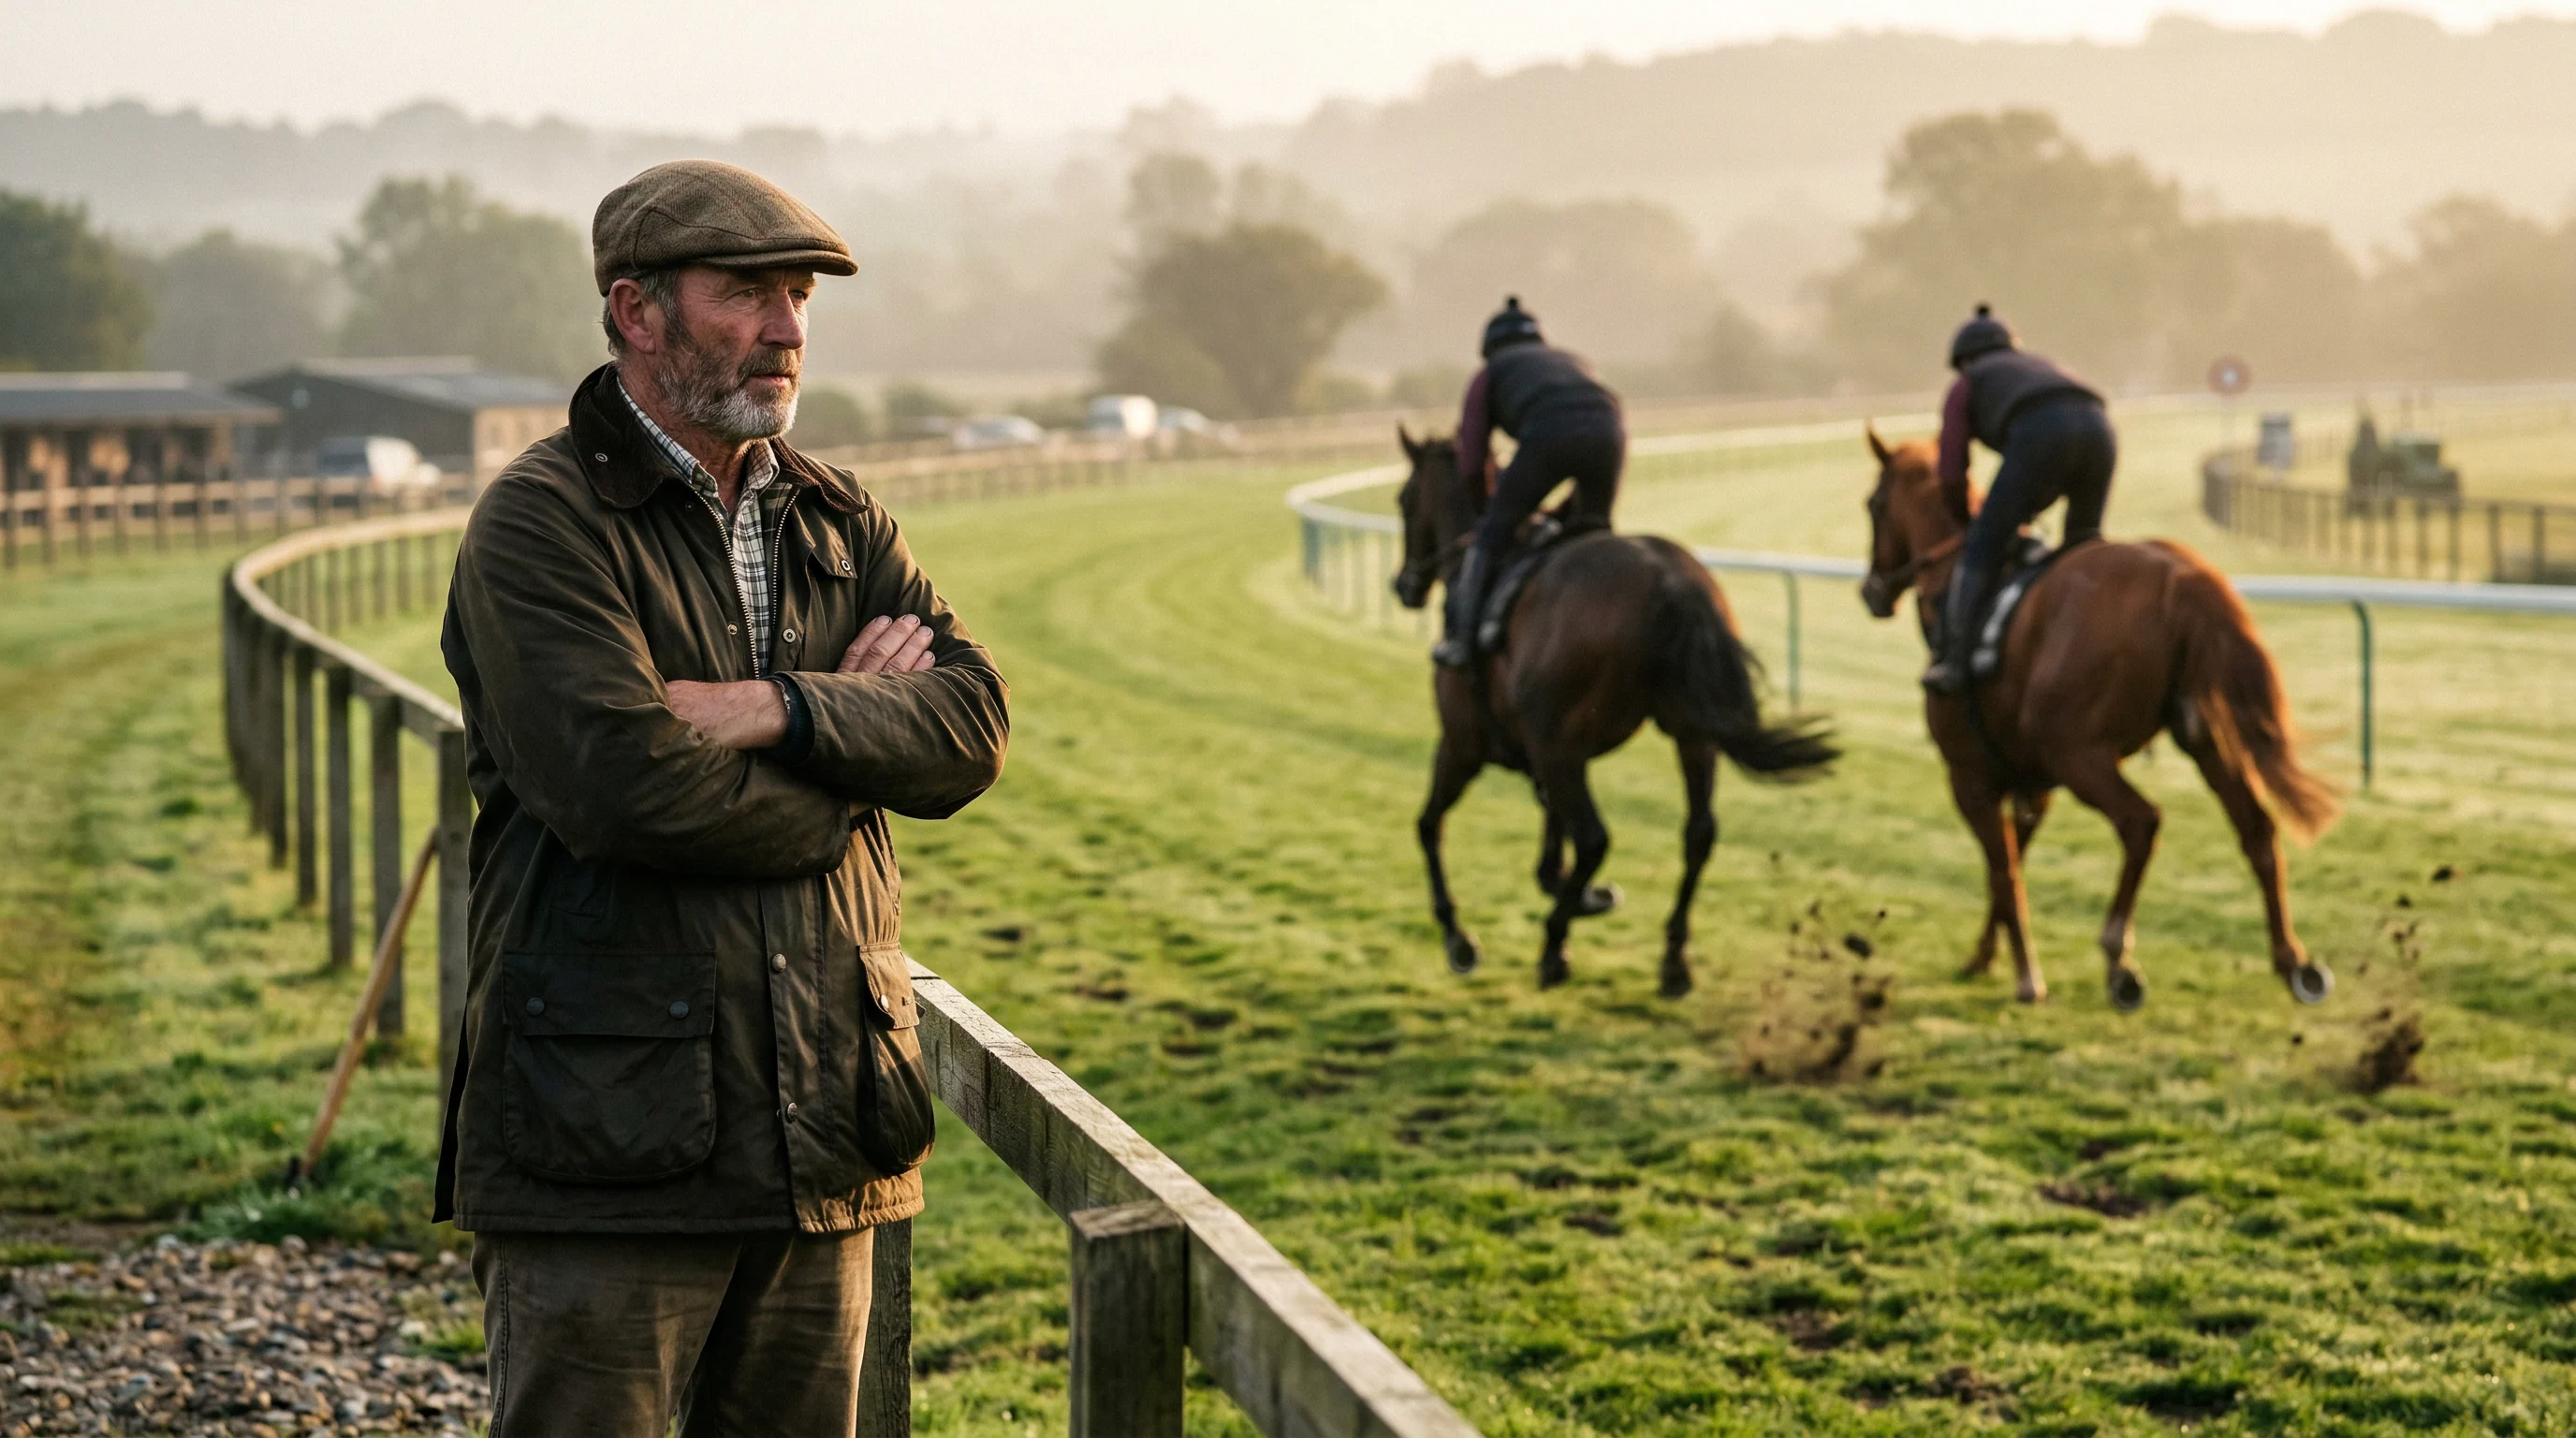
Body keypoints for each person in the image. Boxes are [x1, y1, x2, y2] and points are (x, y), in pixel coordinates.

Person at [437, 159, 1010, 1433]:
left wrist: (783, 707)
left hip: (827, 1137)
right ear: (636, 312)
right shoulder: (542, 522)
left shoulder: (834, 513)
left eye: (798, 295)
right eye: (746, 291)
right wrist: (853, 786)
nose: (788, 328)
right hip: (607, 1152)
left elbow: (972, 727)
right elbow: (630, 792)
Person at [1921, 303, 2115, 695]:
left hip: (2040, 435)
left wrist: (1967, 520)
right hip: (2100, 432)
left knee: (1981, 546)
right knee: (2084, 546)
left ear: (1964, 360)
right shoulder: (2044, 366)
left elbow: (1951, 469)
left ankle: (1955, 661)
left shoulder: (1967, 383)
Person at [1431, 297, 1626, 668]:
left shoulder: (1488, 375)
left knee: (1490, 538)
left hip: (1548, 435)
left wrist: (1488, 512)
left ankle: (1463, 640)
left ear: (1489, 349)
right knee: (1594, 534)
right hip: (1611, 432)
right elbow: (1591, 422)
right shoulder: (1575, 362)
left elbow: (1471, 464)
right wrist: (1565, 511)